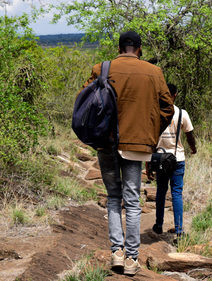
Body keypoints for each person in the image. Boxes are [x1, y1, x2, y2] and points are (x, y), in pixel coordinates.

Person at [79, 31, 174, 275]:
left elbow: (84, 99)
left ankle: (117, 253)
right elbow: (168, 108)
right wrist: (150, 131)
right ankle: (132, 258)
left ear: (120, 47)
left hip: (106, 141)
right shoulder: (154, 72)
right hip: (137, 144)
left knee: (113, 197)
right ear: (140, 49)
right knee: (132, 201)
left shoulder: (102, 68)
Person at [147, 83, 197, 239]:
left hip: (160, 159)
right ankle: (179, 230)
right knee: (176, 193)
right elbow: (189, 135)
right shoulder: (182, 113)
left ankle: (159, 225)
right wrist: (193, 148)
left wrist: (148, 164)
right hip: (177, 159)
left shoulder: (155, 112)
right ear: (175, 95)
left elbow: (150, 141)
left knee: (161, 191)